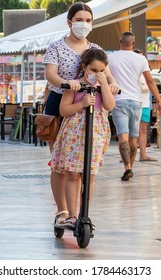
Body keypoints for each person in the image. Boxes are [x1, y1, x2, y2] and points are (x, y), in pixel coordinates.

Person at [42, 2, 120, 226]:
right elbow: (51, 74)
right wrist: (68, 84)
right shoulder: (56, 47)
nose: (84, 24)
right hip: (64, 99)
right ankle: (63, 212)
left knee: (85, 166)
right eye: (79, 20)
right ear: (69, 22)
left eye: (88, 20)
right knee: (60, 162)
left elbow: (107, 74)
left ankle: (81, 213)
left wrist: (112, 85)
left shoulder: (95, 47)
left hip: (92, 103)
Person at [51, 48, 116, 228]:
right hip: (74, 133)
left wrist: (104, 85)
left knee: (90, 175)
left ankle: (84, 214)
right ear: (84, 67)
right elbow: (63, 110)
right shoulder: (75, 85)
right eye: (93, 70)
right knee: (72, 173)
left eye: (101, 71)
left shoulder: (103, 88)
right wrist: (81, 104)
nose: (97, 74)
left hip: (96, 133)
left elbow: (110, 106)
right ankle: (71, 215)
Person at [108, 31, 161, 181]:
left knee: (122, 136)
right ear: (134, 42)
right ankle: (130, 167)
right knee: (134, 137)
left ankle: (127, 168)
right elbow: (150, 81)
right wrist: (159, 100)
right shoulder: (141, 59)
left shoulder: (110, 58)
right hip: (137, 101)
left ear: (120, 41)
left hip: (118, 100)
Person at [134, 49, 157, 162]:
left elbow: (149, 85)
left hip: (145, 104)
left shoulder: (146, 72)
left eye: (143, 57)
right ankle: (128, 155)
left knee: (143, 130)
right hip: (134, 102)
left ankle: (143, 154)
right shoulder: (132, 72)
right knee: (131, 131)